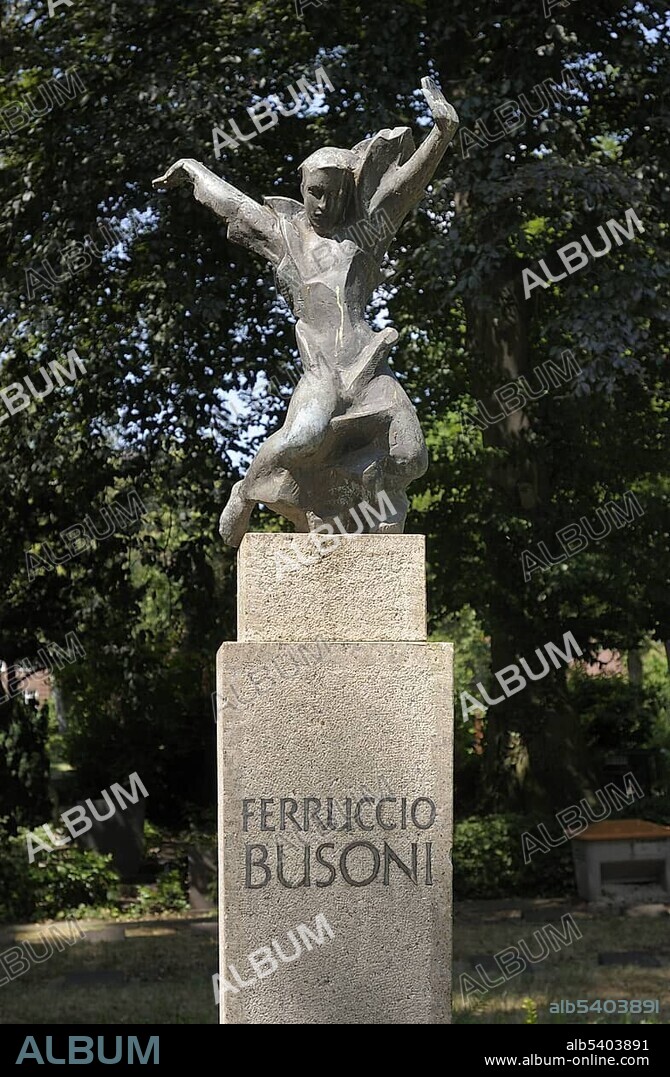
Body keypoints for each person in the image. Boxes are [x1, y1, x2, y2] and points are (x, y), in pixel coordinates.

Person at [153, 77, 459, 546]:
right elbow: (234, 204)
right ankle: (245, 491)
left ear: (348, 190)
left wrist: (442, 131)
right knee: (301, 439)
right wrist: (194, 170)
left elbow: (407, 185)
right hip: (322, 374)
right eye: (314, 191)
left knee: (412, 455)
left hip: (371, 370)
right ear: (303, 188)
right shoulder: (285, 237)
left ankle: (370, 498)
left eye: (334, 193)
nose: (324, 203)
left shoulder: (367, 231)